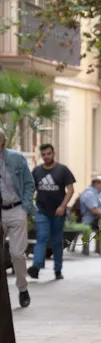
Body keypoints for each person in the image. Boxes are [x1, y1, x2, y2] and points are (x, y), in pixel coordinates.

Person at [28, 143, 75, 280]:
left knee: (56, 241)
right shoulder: (36, 171)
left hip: (57, 212)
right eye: (43, 155)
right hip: (41, 211)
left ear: (53, 154)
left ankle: (58, 270)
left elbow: (70, 190)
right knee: (41, 238)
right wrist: (30, 207)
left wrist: (63, 206)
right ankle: (36, 267)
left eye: (48, 154)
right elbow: (32, 189)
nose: (46, 157)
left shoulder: (62, 170)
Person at [0, 130, 36, 307]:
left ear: (3, 142)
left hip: (16, 209)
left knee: (17, 254)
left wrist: (26, 206)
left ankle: (22, 288)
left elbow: (29, 183)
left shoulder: (16, 158)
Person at [79, 176, 101, 255]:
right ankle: (98, 249)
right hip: (89, 220)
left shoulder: (96, 193)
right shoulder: (90, 194)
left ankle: (100, 249)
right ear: (96, 184)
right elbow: (94, 210)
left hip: (96, 219)